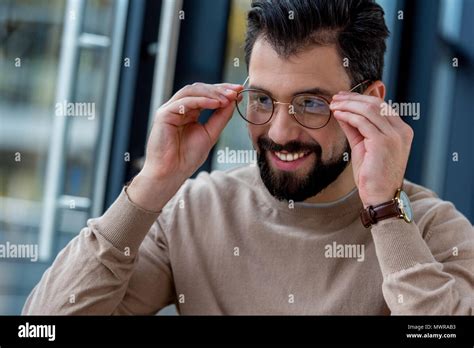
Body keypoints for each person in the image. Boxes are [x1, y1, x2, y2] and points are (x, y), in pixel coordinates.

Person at [23, 0, 473, 315]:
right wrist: (151, 185)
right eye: (261, 100)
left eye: (311, 104)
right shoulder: (194, 211)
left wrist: (386, 211)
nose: (280, 132)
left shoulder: (434, 231)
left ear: (370, 101)